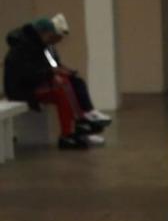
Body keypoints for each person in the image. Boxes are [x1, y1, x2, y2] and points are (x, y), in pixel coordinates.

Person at [3, 14, 110, 150]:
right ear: (43, 33)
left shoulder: (38, 45)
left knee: (67, 82)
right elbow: (26, 75)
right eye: (51, 36)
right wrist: (51, 73)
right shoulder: (23, 48)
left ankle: (78, 126)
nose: (53, 40)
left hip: (29, 85)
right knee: (62, 87)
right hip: (20, 90)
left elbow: (45, 68)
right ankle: (70, 132)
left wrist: (56, 71)